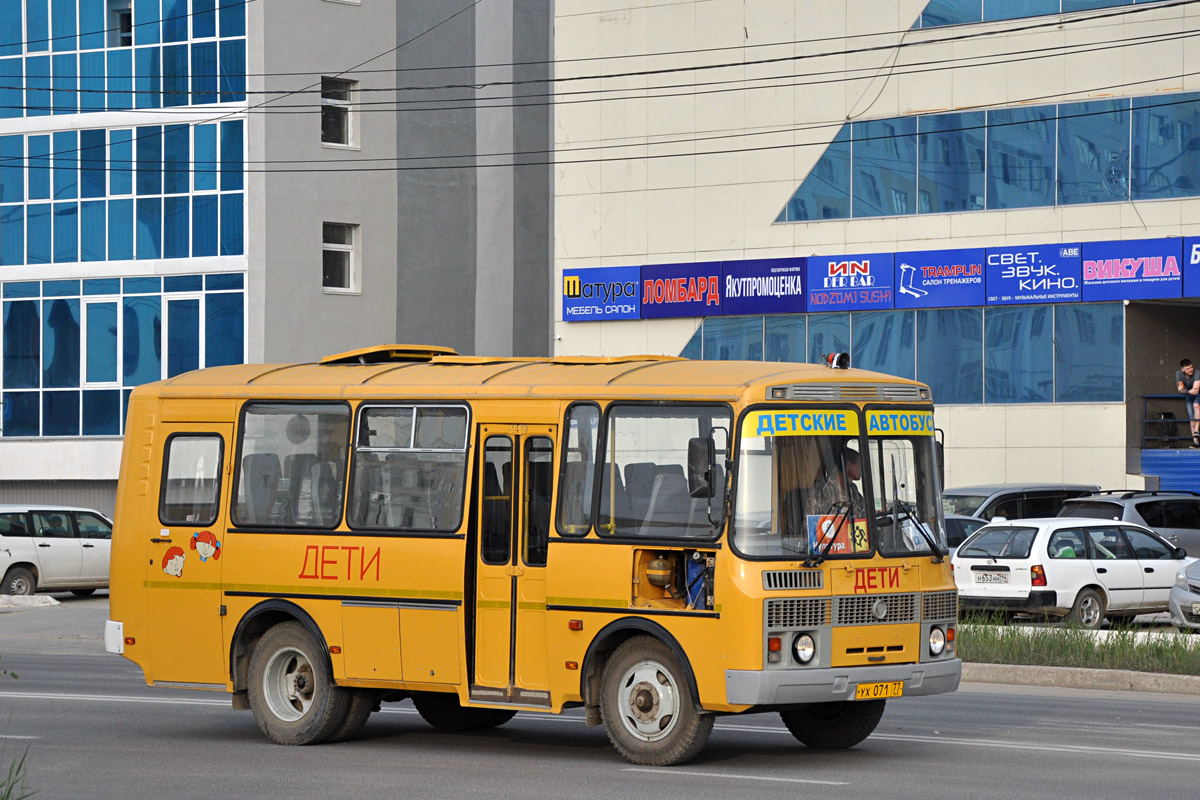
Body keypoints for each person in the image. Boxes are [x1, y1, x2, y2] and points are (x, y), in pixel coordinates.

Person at [809, 448, 866, 519]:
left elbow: (865, 514)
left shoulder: (853, 490)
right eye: (859, 464)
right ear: (848, 465)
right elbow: (811, 523)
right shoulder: (822, 489)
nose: (862, 469)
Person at [1177, 359, 1200, 448]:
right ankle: (1196, 442)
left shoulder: (1197, 372)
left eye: (1191, 367)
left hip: (1198, 395)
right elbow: (1180, 389)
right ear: (1183, 370)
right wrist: (1189, 391)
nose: (1190, 370)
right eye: (1187, 369)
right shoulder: (1179, 374)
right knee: (1191, 418)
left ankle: (1196, 431)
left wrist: (1186, 391)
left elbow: (1196, 390)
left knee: (1196, 405)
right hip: (1189, 395)